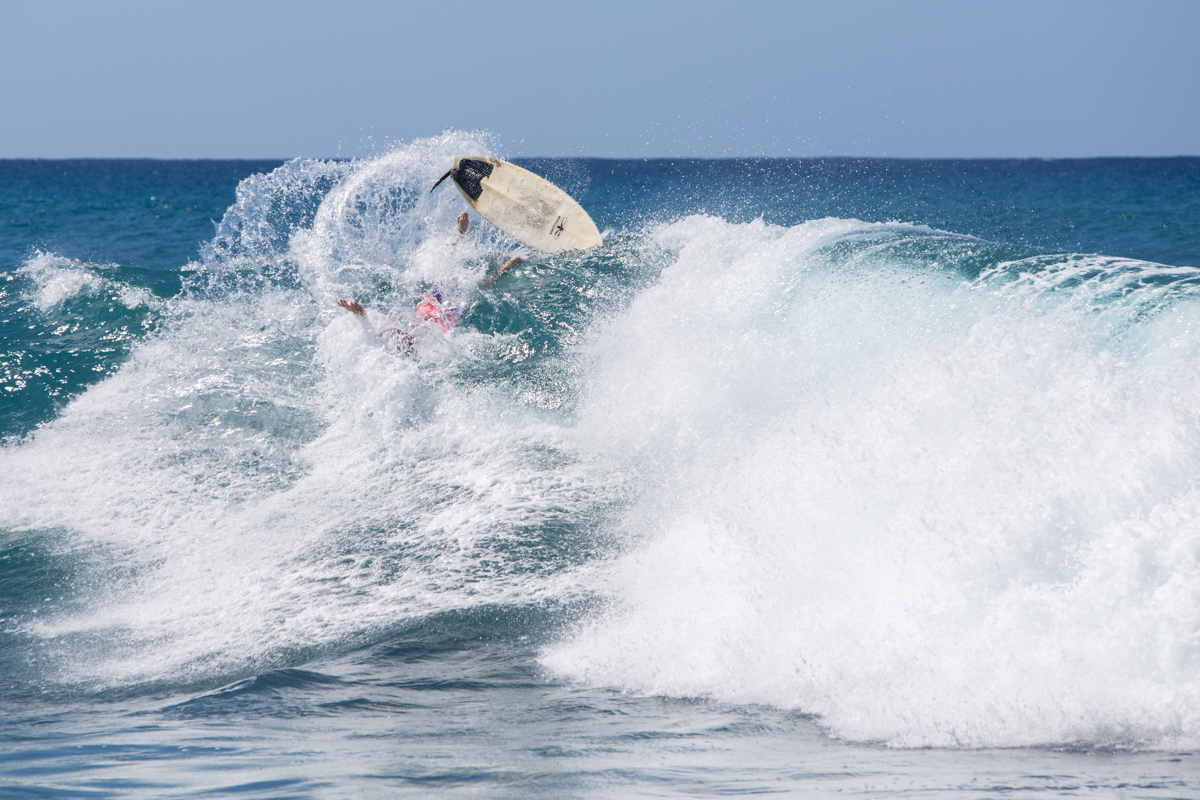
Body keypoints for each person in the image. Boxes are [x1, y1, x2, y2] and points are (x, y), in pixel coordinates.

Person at [337, 210, 522, 353]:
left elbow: (366, 321)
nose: (399, 332)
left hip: (427, 307)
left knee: (443, 272)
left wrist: (354, 306)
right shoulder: (427, 352)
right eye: (400, 335)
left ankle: (460, 235)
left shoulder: (405, 334)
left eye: (398, 333)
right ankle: (504, 269)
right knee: (476, 289)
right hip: (448, 317)